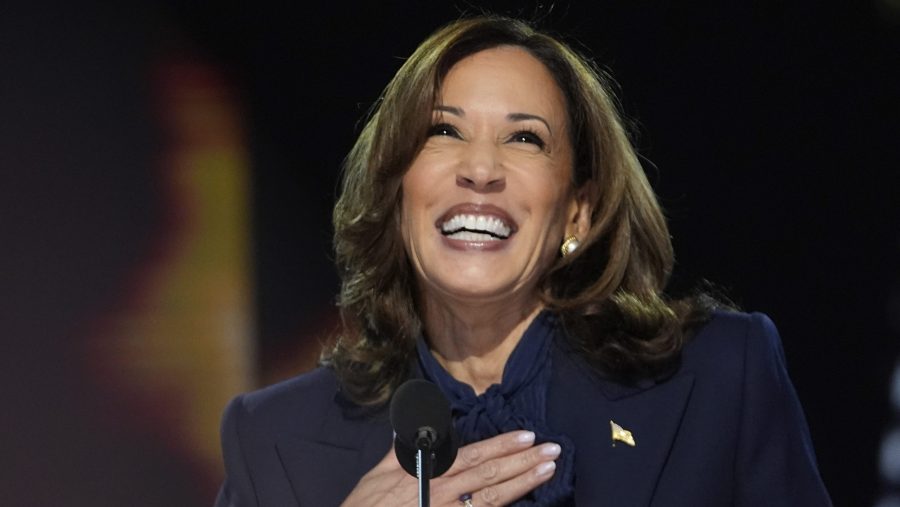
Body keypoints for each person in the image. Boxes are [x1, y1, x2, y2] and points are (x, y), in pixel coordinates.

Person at [215, 16, 831, 506]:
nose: (480, 170)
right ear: (396, 190)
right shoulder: (273, 439)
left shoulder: (722, 379)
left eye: (525, 138)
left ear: (577, 214)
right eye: (444, 131)